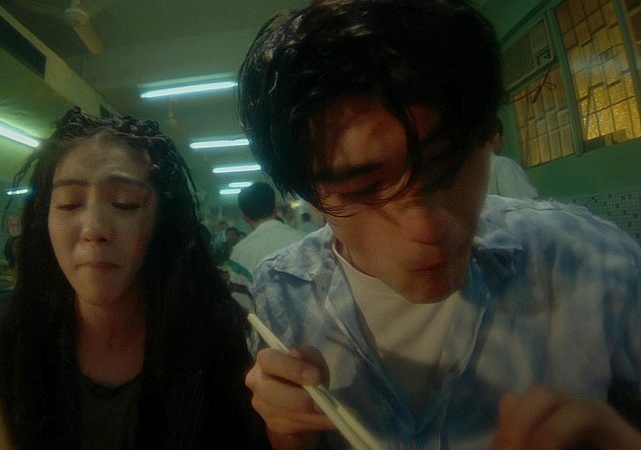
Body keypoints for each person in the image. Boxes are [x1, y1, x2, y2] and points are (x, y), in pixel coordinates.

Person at [237, 1, 641, 449]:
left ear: (488, 141)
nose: (427, 229)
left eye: (448, 167)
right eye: (365, 189)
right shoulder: (283, 290)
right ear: (311, 194)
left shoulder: (591, 257)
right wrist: (288, 430)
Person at [0, 107, 270, 449]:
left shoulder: (214, 339)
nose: (94, 229)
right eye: (69, 204)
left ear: (161, 220)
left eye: (125, 203)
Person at [226, 181, 306, 313]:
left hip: (265, 325)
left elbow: (242, 304)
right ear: (275, 209)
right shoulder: (305, 239)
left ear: (244, 216)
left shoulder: (240, 252)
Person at [487, 118, 539, 199]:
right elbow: (525, 203)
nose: (503, 142)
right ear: (496, 137)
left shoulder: (469, 172)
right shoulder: (502, 164)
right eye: (502, 137)